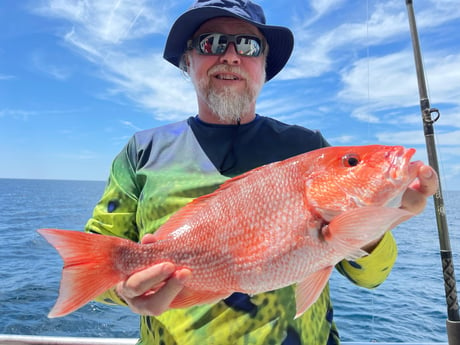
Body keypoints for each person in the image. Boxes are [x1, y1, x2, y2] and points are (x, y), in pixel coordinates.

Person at [84, 1, 438, 344]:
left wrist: (380, 223)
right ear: (187, 61)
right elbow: (95, 273)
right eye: (212, 43)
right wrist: (126, 291)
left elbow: (371, 278)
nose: (231, 55)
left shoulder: (309, 146)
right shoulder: (142, 151)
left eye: (249, 45)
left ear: (264, 66)